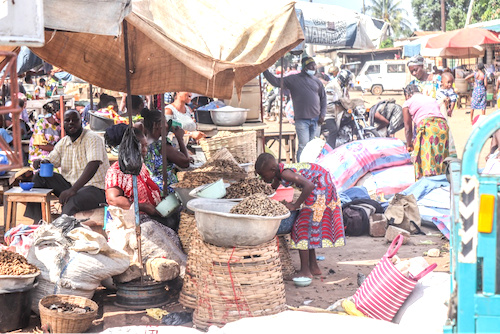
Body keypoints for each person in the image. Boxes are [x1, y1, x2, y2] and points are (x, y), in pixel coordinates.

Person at [255, 153, 345, 278]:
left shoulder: (285, 173)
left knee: (300, 229)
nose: (262, 179)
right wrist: (258, 197)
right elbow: (271, 190)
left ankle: (305, 271)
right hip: (320, 185)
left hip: (320, 188)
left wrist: (296, 205)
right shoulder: (278, 173)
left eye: (263, 176)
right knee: (308, 229)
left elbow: (309, 185)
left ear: (272, 170)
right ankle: (313, 267)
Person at [24, 109, 110, 222]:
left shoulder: (92, 138)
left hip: (96, 189)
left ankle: (60, 230)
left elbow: (93, 164)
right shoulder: (63, 142)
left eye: (75, 120)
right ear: (62, 123)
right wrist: (41, 162)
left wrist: (73, 190)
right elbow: (51, 160)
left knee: (72, 199)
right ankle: (38, 221)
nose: (71, 123)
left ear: (81, 122)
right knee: (39, 176)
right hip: (72, 186)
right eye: (67, 120)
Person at [105, 127, 179, 231]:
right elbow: (113, 199)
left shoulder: (140, 166)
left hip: (152, 214)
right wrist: (143, 207)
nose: (144, 150)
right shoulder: (116, 171)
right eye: (141, 146)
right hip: (136, 219)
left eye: (146, 146)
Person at [263, 57, 326, 161]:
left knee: (314, 147)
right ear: (305, 67)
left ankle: (311, 170)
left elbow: (323, 99)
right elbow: (276, 82)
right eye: (311, 66)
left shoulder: (317, 82)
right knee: (303, 146)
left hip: (316, 120)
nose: (314, 68)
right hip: (302, 120)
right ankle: (300, 168)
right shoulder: (293, 79)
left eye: (314, 66)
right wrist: (264, 70)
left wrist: (322, 114)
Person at [402, 84, 449, 180]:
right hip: (443, 127)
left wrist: (409, 145)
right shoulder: (430, 99)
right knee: (440, 158)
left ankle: (428, 184)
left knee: (426, 160)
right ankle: (442, 181)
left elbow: (408, 129)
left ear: (407, 95)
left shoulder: (407, 103)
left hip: (428, 128)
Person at [141, 108, 191, 195]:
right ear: (157, 125)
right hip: (166, 191)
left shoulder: (143, 144)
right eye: (164, 122)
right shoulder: (161, 146)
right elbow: (185, 163)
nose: (167, 125)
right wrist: (180, 138)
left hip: (151, 189)